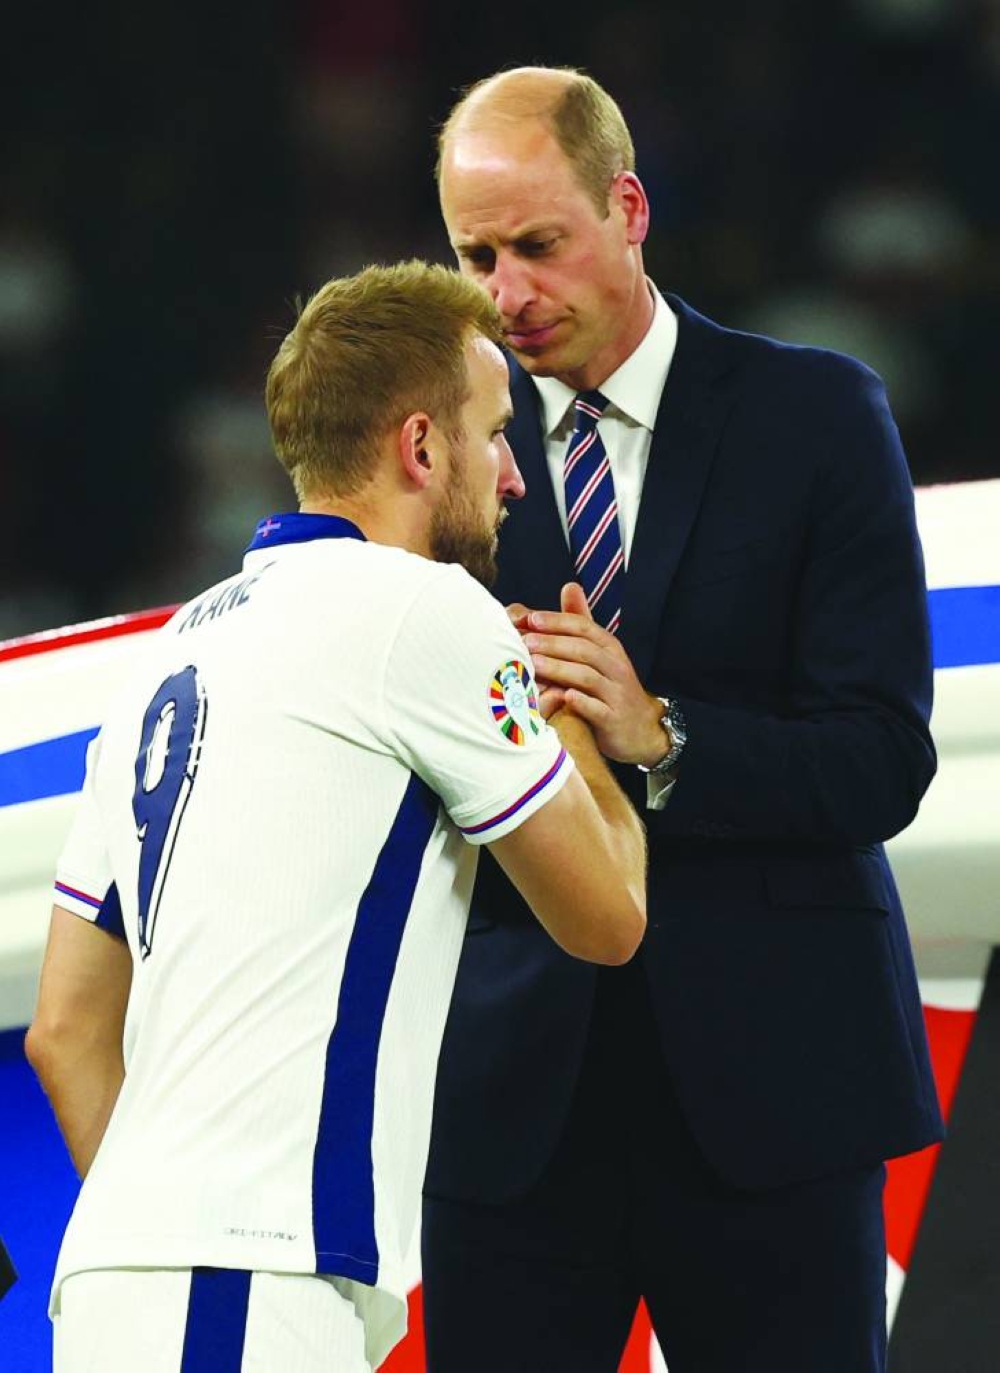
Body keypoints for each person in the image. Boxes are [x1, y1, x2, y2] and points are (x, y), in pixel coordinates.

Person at [25, 259, 647, 1373]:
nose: (513, 475)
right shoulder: (423, 610)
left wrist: (161, 1221)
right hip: (248, 1278)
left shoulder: (170, 651)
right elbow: (607, 916)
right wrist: (580, 716)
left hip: (136, 1274)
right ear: (420, 445)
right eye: (496, 430)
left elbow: (65, 1030)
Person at [422, 67, 942, 1373]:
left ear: (631, 206)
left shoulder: (817, 414)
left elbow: (883, 752)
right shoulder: (429, 457)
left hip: (774, 1098)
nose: (507, 294)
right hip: (509, 1109)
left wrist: (664, 738)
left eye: (539, 244)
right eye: (475, 254)